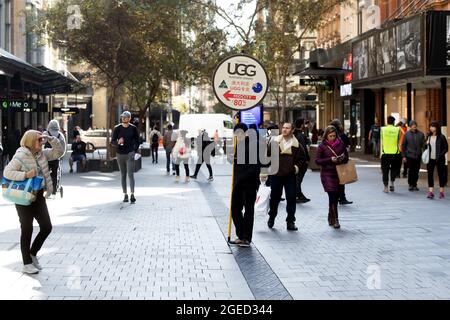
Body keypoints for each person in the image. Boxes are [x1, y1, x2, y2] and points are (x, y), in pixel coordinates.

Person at [3, 130, 64, 274]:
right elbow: (7, 172)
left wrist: (50, 138)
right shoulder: (21, 155)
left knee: (46, 227)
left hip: (38, 196)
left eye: (42, 140)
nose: (41, 142)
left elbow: (59, 152)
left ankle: (32, 253)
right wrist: (25, 174)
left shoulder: (41, 153)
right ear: (31, 141)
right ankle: (26, 263)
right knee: (27, 228)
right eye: (39, 140)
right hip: (23, 197)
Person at [263, 122, 307, 231]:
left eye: (287, 128)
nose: (284, 129)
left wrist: (296, 167)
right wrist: (264, 172)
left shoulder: (296, 145)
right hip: (276, 174)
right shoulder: (274, 142)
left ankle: (290, 221)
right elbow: (266, 158)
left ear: (292, 130)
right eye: (283, 127)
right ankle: (272, 217)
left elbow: (303, 158)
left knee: (291, 198)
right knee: (274, 199)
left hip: (290, 176)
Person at [229, 123, 261, 247]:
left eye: (240, 133)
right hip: (237, 183)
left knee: (248, 210)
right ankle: (241, 234)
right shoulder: (237, 145)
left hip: (250, 183)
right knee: (235, 208)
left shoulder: (255, 144)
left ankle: (247, 238)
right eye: (236, 134)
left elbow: (256, 166)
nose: (238, 136)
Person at [315, 126, 349, 229]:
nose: (332, 138)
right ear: (326, 136)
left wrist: (341, 159)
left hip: (339, 174)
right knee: (332, 196)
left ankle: (331, 216)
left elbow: (347, 158)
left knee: (336, 196)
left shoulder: (341, 144)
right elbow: (317, 161)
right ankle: (336, 220)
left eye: (334, 136)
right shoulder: (322, 146)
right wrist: (330, 160)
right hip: (327, 174)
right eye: (330, 136)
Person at [111, 111, 140, 203]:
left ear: (129, 118)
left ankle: (132, 194)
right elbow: (112, 142)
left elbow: (137, 141)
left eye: (125, 117)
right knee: (123, 175)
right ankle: (125, 195)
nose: (123, 118)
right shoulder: (117, 128)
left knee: (130, 174)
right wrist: (117, 142)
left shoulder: (133, 128)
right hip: (120, 154)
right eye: (122, 117)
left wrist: (134, 151)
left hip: (129, 154)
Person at [330, 119, 353, 205]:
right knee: (341, 180)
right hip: (342, 161)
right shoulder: (343, 136)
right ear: (339, 126)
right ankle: (342, 198)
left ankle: (335, 197)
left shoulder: (330, 136)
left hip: (332, 161)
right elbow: (348, 148)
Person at [425, 121, 448, 199]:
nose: (431, 128)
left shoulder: (442, 137)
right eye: (430, 126)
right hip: (430, 159)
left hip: (440, 159)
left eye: (433, 126)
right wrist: (426, 144)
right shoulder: (429, 136)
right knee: (430, 175)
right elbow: (425, 148)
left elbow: (446, 148)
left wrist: (440, 155)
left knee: (441, 175)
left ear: (437, 128)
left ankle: (441, 192)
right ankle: (430, 192)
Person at [43, 120, 66, 195]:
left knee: (45, 173)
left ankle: (45, 187)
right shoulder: (60, 135)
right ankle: (54, 189)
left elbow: (41, 143)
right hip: (56, 158)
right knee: (55, 173)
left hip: (46, 157)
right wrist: (61, 155)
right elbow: (63, 148)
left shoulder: (46, 134)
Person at [402, 120, 425, 191]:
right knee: (411, 171)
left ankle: (415, 184)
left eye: (415, 125)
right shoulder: (406, 134)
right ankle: (410, 184)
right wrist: (404, 156)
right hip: (409, 156)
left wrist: (424, 153)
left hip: (418, 155)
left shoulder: (421, 134)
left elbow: (423, 145)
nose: (414, 126)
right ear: (410, 126)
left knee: (416, 171)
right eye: (412, 125)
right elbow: (404, 146)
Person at [380, 116, 402, 193]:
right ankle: (392, 183)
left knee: (385, 170)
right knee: (394, 169)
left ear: (387, 121)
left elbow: (381, 142)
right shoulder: (397, 129)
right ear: (394, 122)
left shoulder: (383, 129)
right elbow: (398, 141)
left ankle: (386, 187)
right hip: (395, 153)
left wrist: (381, 154)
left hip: (385, 153)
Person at [293, 118, 310, 203]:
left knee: (297, 179)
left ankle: (299, 194)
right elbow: (304, 149)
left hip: (294, 160)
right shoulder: (301, 135)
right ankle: (298, 195)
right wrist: (307, 159)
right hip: (301, 161)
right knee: (298, 179)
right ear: (302, 125)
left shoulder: (293, 134)